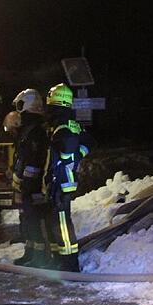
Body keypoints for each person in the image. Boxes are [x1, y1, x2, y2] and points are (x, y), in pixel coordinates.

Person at [42, 83, 94, 273]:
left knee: (62, 225)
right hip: (62, 182)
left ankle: (70, 264)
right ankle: (59, 260)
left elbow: (67, 150)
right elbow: (89, 142)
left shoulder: (62, 126)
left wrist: (73, 155)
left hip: (62, 183)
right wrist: (78, 154)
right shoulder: (70, 124)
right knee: (55, 223)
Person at [9, 90, 50, 267]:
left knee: (34, 222)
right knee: (28, 222)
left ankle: (39, 257)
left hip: (34, 188)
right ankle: (30, 253)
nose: (18, 111)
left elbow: (33, 163)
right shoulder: (28, 130)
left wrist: (28, 186)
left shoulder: (35, 132)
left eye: (19, 106)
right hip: (28, 187)